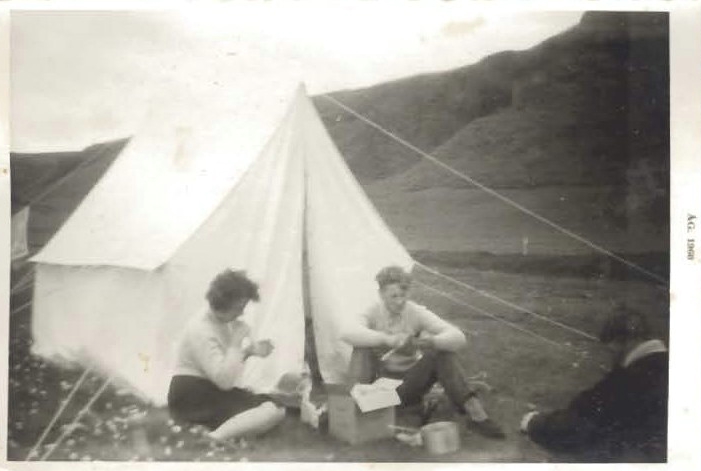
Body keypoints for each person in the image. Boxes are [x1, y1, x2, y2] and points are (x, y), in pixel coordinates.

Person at [341, 265, 505, 439]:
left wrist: (429, 342)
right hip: (377, 390)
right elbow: (346, 332)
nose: (400, 301)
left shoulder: (415, 312)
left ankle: (476, 414)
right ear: (381, 294)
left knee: (440, 353)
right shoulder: (372, 311)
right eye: (393, 296)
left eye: (403, 295)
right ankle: (351, 407)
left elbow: (458, 337)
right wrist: (386, 339)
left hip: (408, 385)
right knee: (361, 348)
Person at [520, 308, 668, 462]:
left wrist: (534, 423)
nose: (610, 355)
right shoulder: (666, 365)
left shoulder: (628, 379)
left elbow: (580, 423)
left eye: (611, 347)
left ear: (623, 341)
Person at [167, 269, 285, 441]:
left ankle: (221, 431)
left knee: (274, 407)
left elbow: (223, 367)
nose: (242, 313)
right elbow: (225, 381)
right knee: (270, 410)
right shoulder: (200, 329)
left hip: (209, 388)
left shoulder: (220, 321)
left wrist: (249, 352)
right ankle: (215, 438)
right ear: (224, 303)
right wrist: (236, 342)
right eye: (240, 307)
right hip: (191, 395)